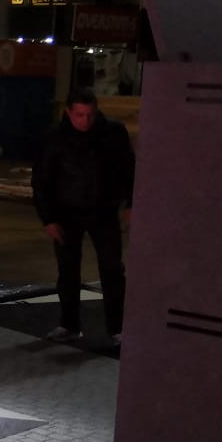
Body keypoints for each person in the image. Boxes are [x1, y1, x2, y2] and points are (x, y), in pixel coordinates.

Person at [31, 88, 135, 345]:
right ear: (68, 112)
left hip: (104, 211)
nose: (85, 121)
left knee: (112, 270)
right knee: (68, 271)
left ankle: (118, 328)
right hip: (66, 213)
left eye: (89, 115)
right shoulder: (54, 138)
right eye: (79, 115)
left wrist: (131, 204)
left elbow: (129, 169)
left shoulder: (113, 133)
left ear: (96, 110)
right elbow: (41, 181)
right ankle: (69, 324)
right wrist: (49, 219)